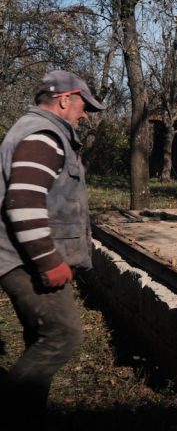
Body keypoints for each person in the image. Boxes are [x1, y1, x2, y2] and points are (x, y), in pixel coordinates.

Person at [0, 70, 105, 415]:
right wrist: (48, 262)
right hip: (23, 257)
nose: (84, 113)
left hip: (19, 253)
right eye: (82, 104)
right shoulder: (44, 136)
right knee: (63, 336)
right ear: (64, 100)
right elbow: (23, 204)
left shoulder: (34, 131)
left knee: (40, 337)